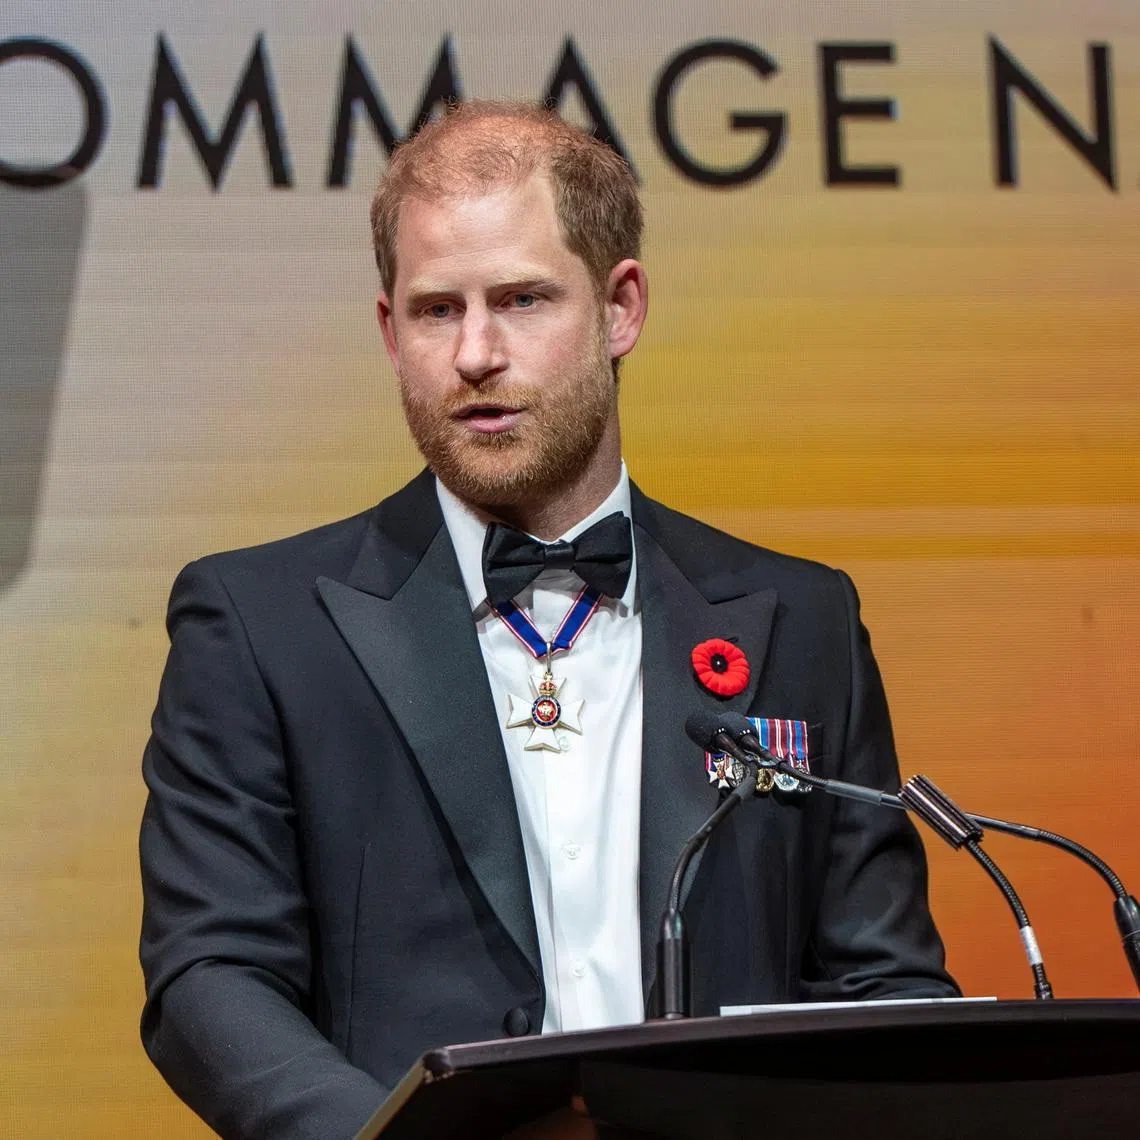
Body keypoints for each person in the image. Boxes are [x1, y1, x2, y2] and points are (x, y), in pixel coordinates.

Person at [139, 101, 957, 1140]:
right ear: (391, 332)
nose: (476, 352)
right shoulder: (258, 627)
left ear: (621, 308)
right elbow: (211, 979)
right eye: (438, 311)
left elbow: (882, 983)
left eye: (522, 300)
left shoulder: (800, 618)